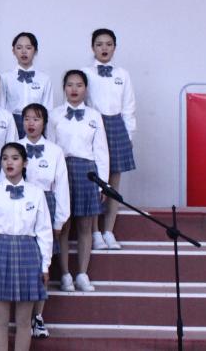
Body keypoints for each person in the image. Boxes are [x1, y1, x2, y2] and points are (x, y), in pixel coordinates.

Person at [0, 143, 53, 351]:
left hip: (28, 251)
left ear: (25, 163)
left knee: (23, 321)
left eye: (15, 158)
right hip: (1, 250)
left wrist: (45, 265)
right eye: (5, 158)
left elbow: (44, 231)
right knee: (0, 320)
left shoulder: (36, 193)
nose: (9, 162)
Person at [9, 103, 69, 338]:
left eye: (36, 119)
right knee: (18, 261)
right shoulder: (14, 148)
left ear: (44, 123)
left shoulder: (55, 151)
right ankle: (16, 316)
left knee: (43, 262)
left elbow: (61, 187)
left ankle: (38, 316)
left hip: (46, 204)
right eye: (26, 119)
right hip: (18, 205)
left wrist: (59, 220)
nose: (31, 123)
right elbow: (3, 183)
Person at [46, 70, 108, 293]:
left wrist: (103, 182)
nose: (74, 89)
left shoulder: (94, 116)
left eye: (79, 85)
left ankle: (82, 273)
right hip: (62, 169)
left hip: (87, 171)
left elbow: (101, 150)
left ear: (86, 89)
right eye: (70, 85)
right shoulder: (54, 115)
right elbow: (50, 147)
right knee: (63, 224)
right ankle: (65, 274)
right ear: (64, 88)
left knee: (85, 225)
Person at [83, 28, 136, 251]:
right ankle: (95, 232)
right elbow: (80, 101)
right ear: (92, 47)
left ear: (115, 47)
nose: (104, 48)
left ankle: (109, 230)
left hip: (116, 127)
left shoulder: (123, 74)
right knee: (95, 182)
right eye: (99, 44)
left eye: (108, 44)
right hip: (94, 125)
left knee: (113, 183)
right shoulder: (85, 73)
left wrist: (128, 135)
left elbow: (129, 107)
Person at [2, 32, 53, 139]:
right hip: (13, 123)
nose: (24, 51)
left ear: (35, 51)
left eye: (28, 48)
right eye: (19, 47)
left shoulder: (44, 79)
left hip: (37, 124)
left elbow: (48, 109)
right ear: (13, 51)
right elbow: (1, 107)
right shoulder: (5, 78)